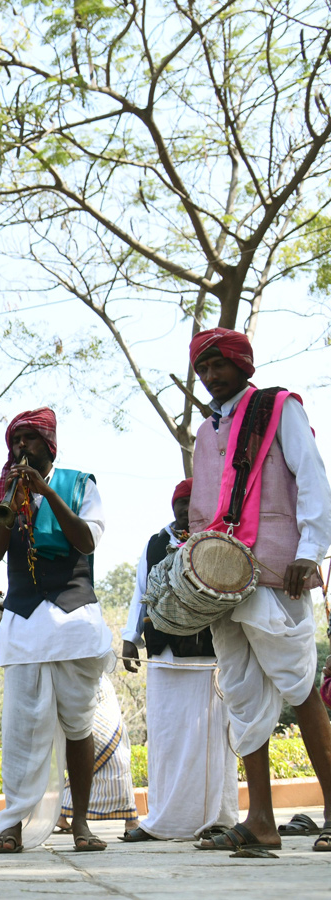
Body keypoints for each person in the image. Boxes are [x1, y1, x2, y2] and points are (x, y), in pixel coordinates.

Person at [186, 329, 331, 854]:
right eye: (203, 368)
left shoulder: (278, 408)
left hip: (277, 570)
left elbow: (312, 478)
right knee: (243, 695)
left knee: (299, 684)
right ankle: (261, 821)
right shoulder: (205, 432)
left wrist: (310, 551)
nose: (211, 375)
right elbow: (202, 509)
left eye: (219, 364)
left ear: (243, 364)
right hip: (222, 582)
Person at [0, 407, 112, 853]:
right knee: (20, 731)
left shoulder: (80, 485)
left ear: (50, 445)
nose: (21, 447)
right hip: (24, 628)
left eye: (30, 439)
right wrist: (14, 505)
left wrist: (47, 494)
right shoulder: (2, 490)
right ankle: (12, 826)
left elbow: (87, 540)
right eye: (16, 440)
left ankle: (81, 824)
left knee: (78, 726)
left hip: (75, 626)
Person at [121, 478, 238, 841]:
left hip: (207, 657)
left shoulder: (216, 540)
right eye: (181, 504)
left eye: (193, 503)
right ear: (172, 507)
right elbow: (141, 592)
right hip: (164, 656)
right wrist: (130, 638)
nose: (186, 510)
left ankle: (217, 819)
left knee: (209, 738)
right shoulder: (156, 543)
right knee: (166, 738)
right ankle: (164, 820)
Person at [56, 675, 139, 837]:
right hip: (73, 681)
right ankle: (63, 813)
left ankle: (130, 817)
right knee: (105, 752)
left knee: (119, 755)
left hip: (99, 683)